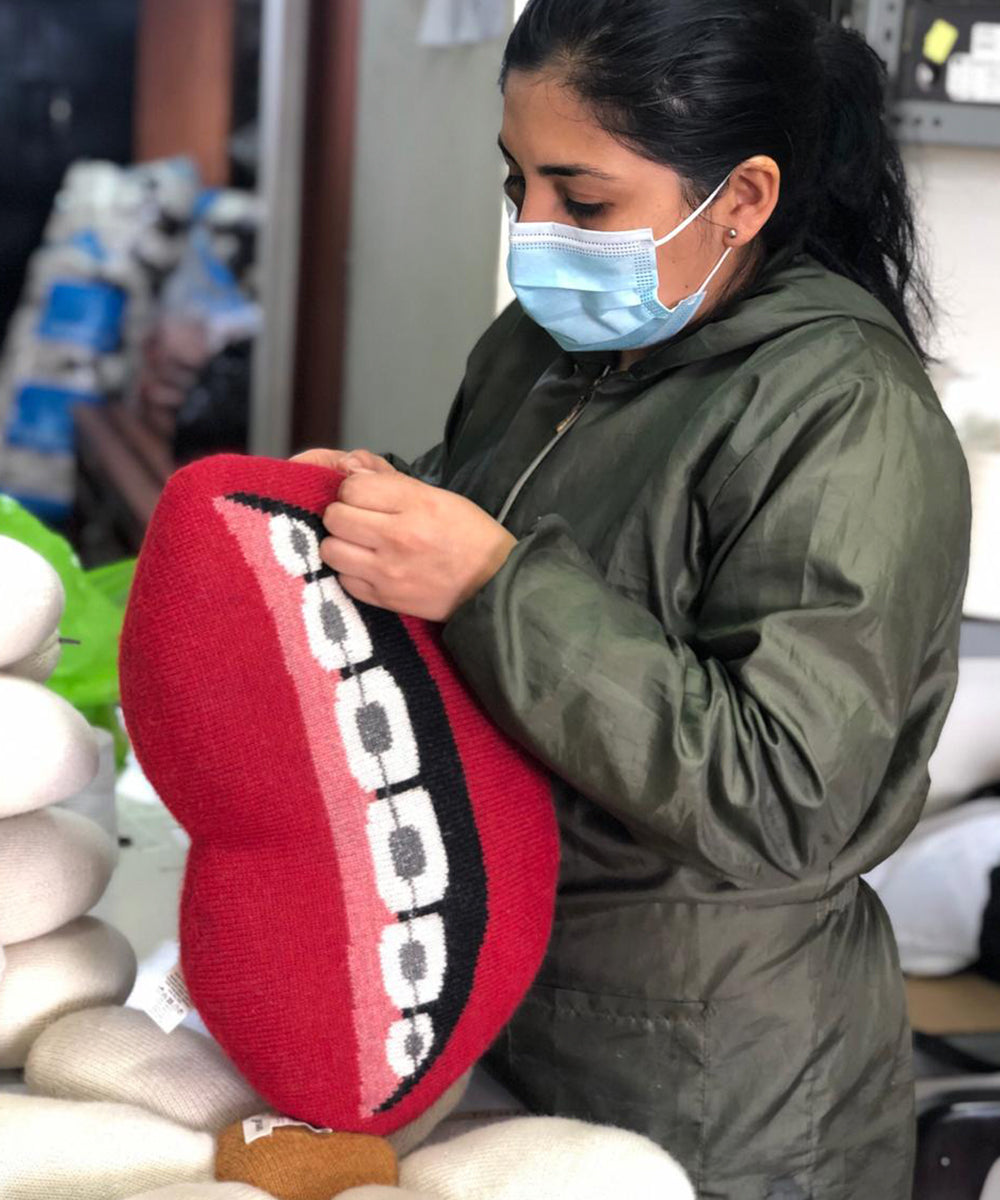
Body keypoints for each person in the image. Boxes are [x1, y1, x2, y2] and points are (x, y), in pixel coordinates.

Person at [292, 1, 973, 1195]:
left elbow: (787, 798)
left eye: (584, 200)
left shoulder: (842, 413)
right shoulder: (536, 353)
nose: (534, 234)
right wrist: (376, 504)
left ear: (744, 199)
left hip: (714, 1075)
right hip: (496, 986)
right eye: (519, 188)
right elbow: (520, 532)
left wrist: (493, 587)